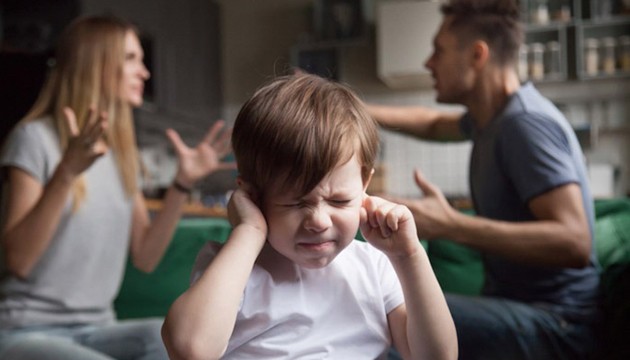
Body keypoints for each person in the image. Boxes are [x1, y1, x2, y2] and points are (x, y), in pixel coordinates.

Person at [161, 73, 458, 360]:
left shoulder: (374, 266)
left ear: (364, 184)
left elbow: (438, 356)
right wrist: (249, 232)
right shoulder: (232, 269)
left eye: (339, 200)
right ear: (252, 196)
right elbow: (190, 350)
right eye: (294, 203)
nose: (319, 221)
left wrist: (409, 256)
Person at [366, 0, 601, 359]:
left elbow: (576, 241)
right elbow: (429, 122)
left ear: (478, 55)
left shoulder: (523, 124)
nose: (429, 63)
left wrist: (450, 225)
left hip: (559, 324)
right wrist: (348, 106)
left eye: (438, 51)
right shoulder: (489, 119)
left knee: (394, 321)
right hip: (523, 309)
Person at [0, 15, 234, 359]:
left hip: (98, 328)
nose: (144, 72)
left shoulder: (122, 154)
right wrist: (67, 172)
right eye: (131, 59)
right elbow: (18, 260)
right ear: (95, 65)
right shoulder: (34, 138)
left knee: (174, 340)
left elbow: (146, 256)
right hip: (26, 329)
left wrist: (181, 185)